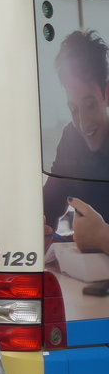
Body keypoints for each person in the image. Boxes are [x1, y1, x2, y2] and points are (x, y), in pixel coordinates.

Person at [42, 29, 109, 252]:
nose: (83, 123)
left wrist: (101, 237)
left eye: (89, 105)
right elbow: (50, 204)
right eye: (73, 109)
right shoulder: (71, 138)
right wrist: (37, 226)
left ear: (106, 94)